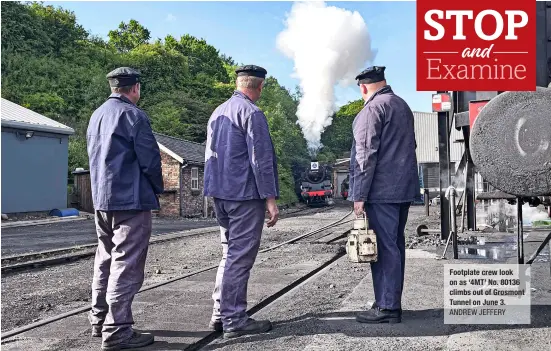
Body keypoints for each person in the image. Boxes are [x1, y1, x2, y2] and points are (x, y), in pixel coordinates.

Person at [86, 67, 164, 350]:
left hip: (102, 201)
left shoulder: (96, 116)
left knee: (105, 258)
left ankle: (99, 320)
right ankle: (117, 330)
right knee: (126, 263)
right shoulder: (134, 115)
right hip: (131, 201)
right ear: (135, 88)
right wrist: (158, 188)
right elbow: (150, 160)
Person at [204, 64, 280, 339]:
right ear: (259, 86)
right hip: (244, 196)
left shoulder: (218, 112)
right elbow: (260, 160)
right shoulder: (252, 113)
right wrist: (270, 198)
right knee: (239, 256)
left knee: (228, 253)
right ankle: (234, 318)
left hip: (219, 194)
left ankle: (220, 313)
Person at [347, 66, 419, 324]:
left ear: (363, 87)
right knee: (395, 246)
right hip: (402, 190)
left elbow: (365, 156)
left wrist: (358, 194)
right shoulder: (402, 105)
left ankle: (387, 308)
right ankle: (389, 301)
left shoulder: (371, 110)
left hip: (381, 192)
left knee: (383, 249)